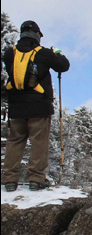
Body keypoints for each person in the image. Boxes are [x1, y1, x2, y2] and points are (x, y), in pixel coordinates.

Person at [2, 20, 70, 191]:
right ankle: (36, 179)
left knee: (15, 140)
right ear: (37, 35)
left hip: (16, 106)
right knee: (39, 142)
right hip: (39, 106)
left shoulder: (10, 53)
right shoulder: (43, 53)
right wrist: (57, 54)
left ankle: (9, 179)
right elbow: (64, 66)